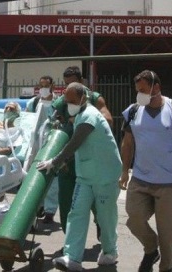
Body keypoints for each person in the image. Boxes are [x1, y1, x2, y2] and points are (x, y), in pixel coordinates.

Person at [37, 83, 121, 271]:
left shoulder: (90, 116)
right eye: (67, 101)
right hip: (85, 177)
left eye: (72, 101)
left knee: (105, 217)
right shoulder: (80, 116)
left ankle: (110, 251)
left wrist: (54, 162)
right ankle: (72, 257)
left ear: (84, 98)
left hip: (104, 176)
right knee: (76, 214)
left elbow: (75, 143)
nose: (69, 105)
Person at [119, 70, 172, 272]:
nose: (140, 94)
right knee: (134, 218)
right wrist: (124, 171)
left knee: (168, 234)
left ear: (157, 87)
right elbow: (127, 143)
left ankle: (166, 266)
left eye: (143, 90)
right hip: (141, 179)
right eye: (138, 90)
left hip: (169, 183)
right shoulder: (133, 111)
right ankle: (151, 249)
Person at [51, 66, 113, 232]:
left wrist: (82, 120)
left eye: (72, 83)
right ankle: (69, 238)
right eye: (66, 84)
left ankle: (102, 226)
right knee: (65, 202)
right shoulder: (63, 102)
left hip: (88, 161)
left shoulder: (94, 99)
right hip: (67, 161)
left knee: (93, 200)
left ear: (81, 82)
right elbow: (54, 123)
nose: (69, 87)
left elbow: (108, 120)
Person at [27, 75, 59, 225]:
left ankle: (50, 211)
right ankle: (37, 207)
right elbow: (27, 122)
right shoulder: (33, 103)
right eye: (41, 85)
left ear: (52, 85)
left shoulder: (59, 102)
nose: (44, 88)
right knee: (35, 175)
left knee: (53, 178)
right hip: (35, 145)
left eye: (46, 85)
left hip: (52, 144)